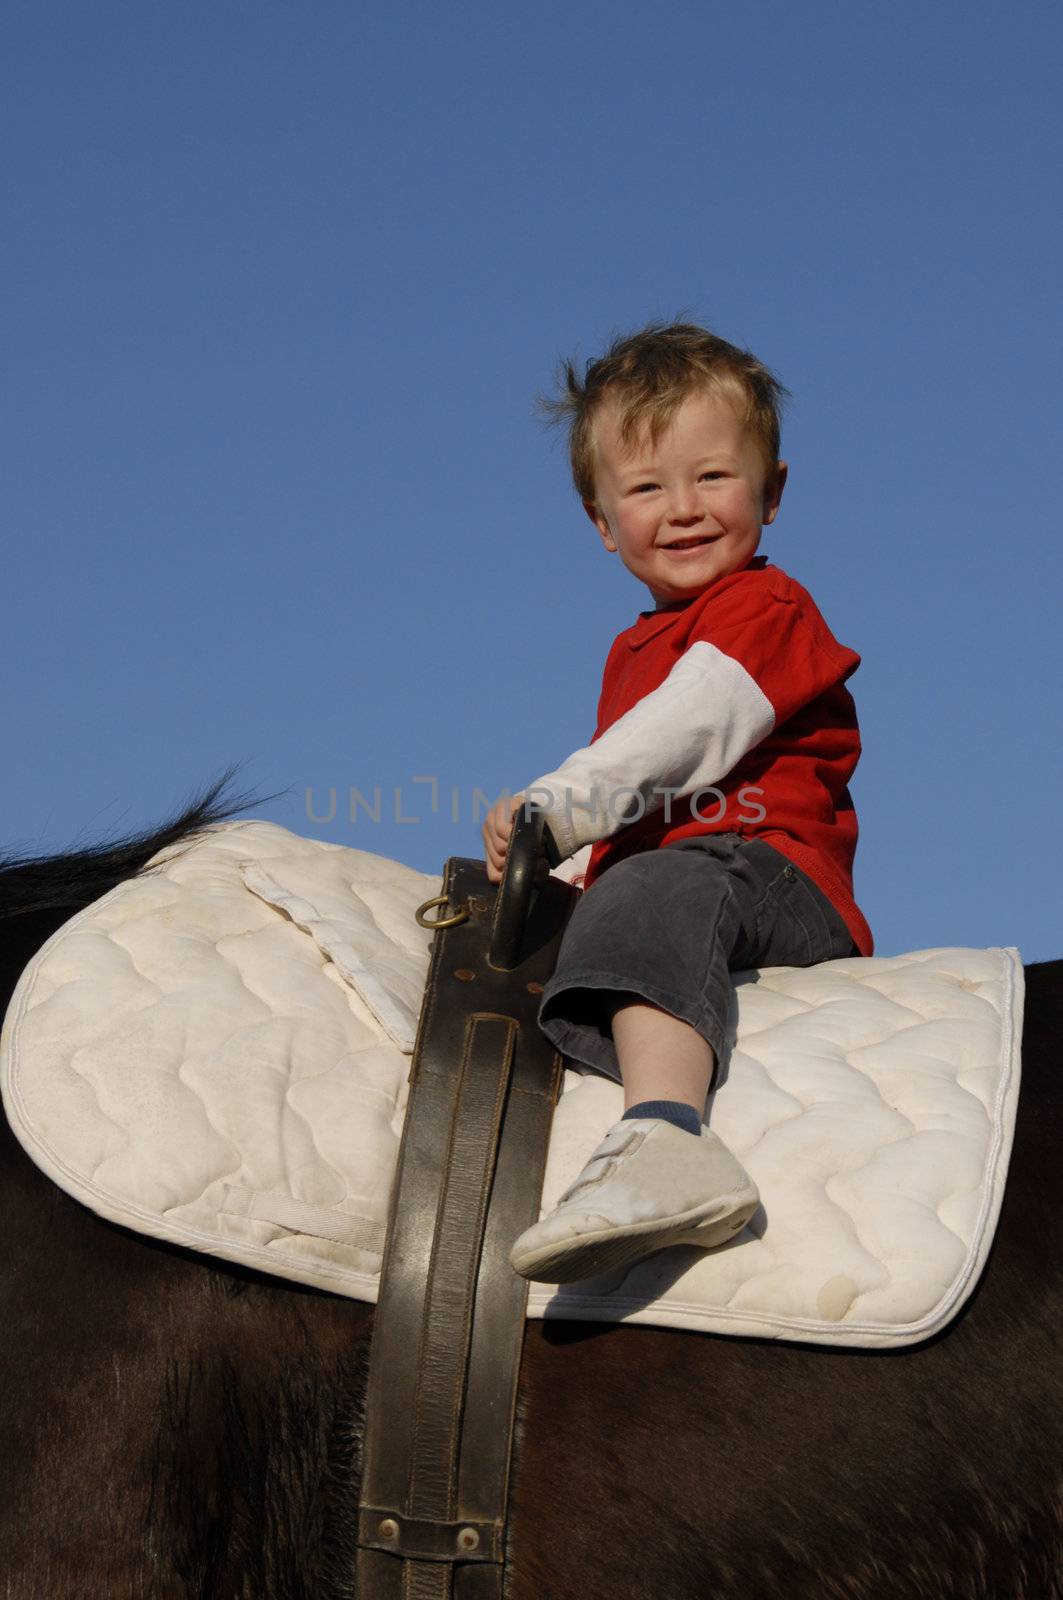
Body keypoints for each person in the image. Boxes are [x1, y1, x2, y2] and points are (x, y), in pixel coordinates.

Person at [482, 321, 872, 1286]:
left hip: (768, 869)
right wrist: (554, 864)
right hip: (689, 869)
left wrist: (555, 809)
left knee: (651, 887)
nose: (684, 509)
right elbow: (636, 795)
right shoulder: (634, 647)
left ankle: (666, 1137)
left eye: (714, 477)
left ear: (772, 492)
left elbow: (687, 733)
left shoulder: (764, 610)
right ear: (600, 520)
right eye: (647, 488)